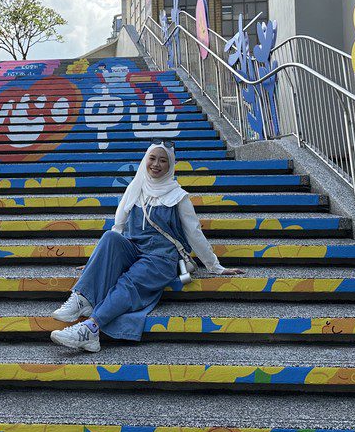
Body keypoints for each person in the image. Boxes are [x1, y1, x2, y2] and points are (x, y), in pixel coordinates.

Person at [50, 142, 243, 352]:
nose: (156, 164)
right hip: (134, 250)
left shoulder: (178, 197)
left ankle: (91, 329)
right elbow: (118, 227)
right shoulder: (136, 187)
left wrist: (215, 266)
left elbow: (194, 234)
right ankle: (82, 299)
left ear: (170, 165)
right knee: (110, 237)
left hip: (162, 258)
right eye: (152, 158)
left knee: (129, 281)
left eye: (163, 160)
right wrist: (95, 263)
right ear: (145, 160)